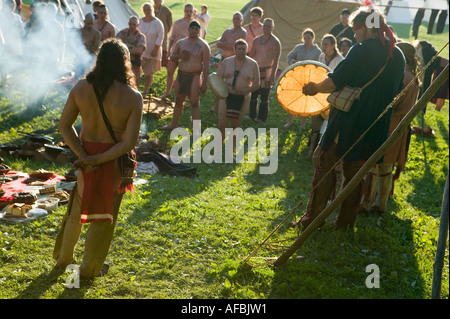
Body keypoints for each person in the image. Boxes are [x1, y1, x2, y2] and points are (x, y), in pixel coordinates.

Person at [296, 8, 405, 230]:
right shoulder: (398, 55)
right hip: (375, 127)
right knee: (355, 173)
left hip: (349, 121)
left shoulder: (361, 50)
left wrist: (314, 87)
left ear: (364, 29)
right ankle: (345, 222)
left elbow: (335, 81)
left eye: (356, 30)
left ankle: (312, 219)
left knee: (324, 162)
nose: (354, 35)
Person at [53, 39, 143, 278]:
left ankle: (64, 260)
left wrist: (86, 157)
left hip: (87, 161)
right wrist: (99, 159)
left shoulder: (81, 88)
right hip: (113, 162)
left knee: (76, 210)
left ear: (99, 59)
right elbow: (129, 143)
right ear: (124, 63)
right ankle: (88, 270)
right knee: (104, 218)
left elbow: (64, 126)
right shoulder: (133, 97)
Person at [359, 41, 420, 215]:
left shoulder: (404, 76)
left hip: (390, 124)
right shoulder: (413, 76)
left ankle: (368, 203)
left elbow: (392, 101)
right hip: (399, 127)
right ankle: (380, 204)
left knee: (376, 166)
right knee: (385, 168)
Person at [160, 21, 210, 130]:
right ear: (188, 29)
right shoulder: (181, 43)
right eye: (192, 28)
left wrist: (205, 82)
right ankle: (173, 125)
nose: (194, 30)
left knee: (194, 103)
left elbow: (206, 66)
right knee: (178, 100)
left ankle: (196, 129)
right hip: (181, 75)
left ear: (199, 31)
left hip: (195, 76)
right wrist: (180, 56)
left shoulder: (203, 45)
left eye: (197, 29)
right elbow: (172, 58)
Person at [307, 34, 344, 157]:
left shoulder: (340, 60)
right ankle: (312, 150)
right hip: (320, 92)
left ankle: (324, 151)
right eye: (323, 44)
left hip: (333, 95)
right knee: (315, 123)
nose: (324, 47)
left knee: (329, 124)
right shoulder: (321, 56)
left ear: (333, 45)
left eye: (326, 44)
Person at [218, 39, 260, 147]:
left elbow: (256, 84)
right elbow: (218, 79)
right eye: (239, 49)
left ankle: (230, 150)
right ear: (234, 50)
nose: (242, 51)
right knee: (222, 125)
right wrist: (222, 90)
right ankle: (218, 148)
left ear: (247, 50)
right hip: (226, 95)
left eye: (244, 49)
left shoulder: (253, 64)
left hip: (243, 97)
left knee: (235, 127)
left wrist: (245, 90)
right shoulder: (226, 62)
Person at [210, 12, 247, 112]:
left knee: (231, 83)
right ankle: (215, 106)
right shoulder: (227, 32)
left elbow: (237, 47)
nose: (236, 20)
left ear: (241, 20)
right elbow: (219, 44)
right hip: (223, 59)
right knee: (219, 82)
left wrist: (226, 44)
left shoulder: (243, 32)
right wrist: (229, 45)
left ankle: (228, 106)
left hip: (234, 62)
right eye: (234, 18)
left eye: (238, 19)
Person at [285, 28, 321, 128]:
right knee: (293, 97)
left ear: (313, 38)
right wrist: (294, 62)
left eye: (308, 38)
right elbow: (290, 56)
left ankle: (303, 123)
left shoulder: (317, 51)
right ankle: (289, 121)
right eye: (305, 38)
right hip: (297, 76)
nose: (306, 40)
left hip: (309, 77)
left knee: (305, 99)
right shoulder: (298, 48)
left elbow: (319, 64)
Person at [248, 18, 281, 124]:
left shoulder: (275, 42)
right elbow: (252, 54)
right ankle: (252, 115)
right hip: (256, 69)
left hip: (267, 70)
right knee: (253, 94)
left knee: (264, 96)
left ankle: (261, 118)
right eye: (265, 26)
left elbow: (276, 60)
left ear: (273, 27)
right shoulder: (257, 40)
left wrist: (272, 75)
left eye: (269, 26)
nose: (266, 28)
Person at [160, 3, 195, 100]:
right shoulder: (178, 23)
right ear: (184, 11)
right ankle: (167, 92)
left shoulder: (195, 25)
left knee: (182, 74)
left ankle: (179, 95)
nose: (188, 13)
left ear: (193, 12)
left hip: (187, 55)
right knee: (170, 71)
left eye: (190, 11)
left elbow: (197, 41)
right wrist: (168, 51)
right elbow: (172, 38)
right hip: (175, 51)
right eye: (187, 11)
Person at [139, 2, 164, 98]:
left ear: (152, 10)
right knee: (137, 72)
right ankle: (135, 90)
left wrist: (156, 49)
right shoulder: (140, 21)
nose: (147, 11)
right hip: (141, 52)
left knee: (149, 73)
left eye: (149, 9)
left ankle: (145, 92)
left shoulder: (157, 23)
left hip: (153, 51)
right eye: (145, 9)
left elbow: (160, 37)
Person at [116, 16, 146, 86]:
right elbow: (116, 46)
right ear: (128, 23)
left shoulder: (141, 36)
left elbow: (139, 50)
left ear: (138, 25)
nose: (132, 26)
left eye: (134, 24)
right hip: (122, 62)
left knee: (135, 83)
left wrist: (125, 47)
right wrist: (132, 47)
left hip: (135, 63)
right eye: (130, 24)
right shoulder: (122, 33)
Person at [154, 0, 172, 68]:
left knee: (163, 53)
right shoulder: (151, 9)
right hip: (152, 35)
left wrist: (163, 32)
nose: (156, 1)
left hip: (162, 35)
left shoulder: (166, 11)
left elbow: (170, 25)